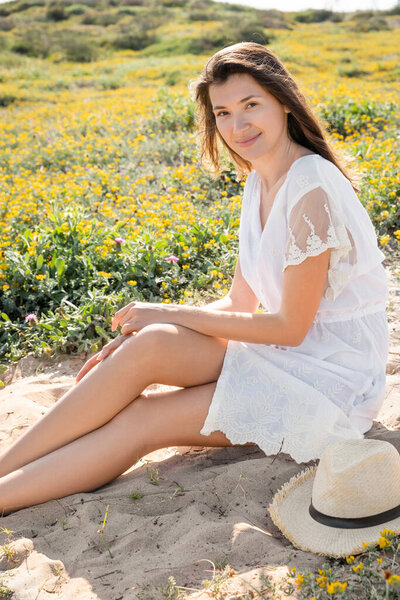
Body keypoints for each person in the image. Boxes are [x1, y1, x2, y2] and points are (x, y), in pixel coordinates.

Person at [0, 42, 388, 515]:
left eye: (251, 106)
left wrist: (165, 310)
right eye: (223, 113)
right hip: (292, 356)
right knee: (150, 345)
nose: (237, 126)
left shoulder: (311, 185)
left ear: (284, 101)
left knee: (144, 419)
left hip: (332, 381)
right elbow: (240, 304)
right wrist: (149, 329)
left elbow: (289, 326)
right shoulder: (259, 181)